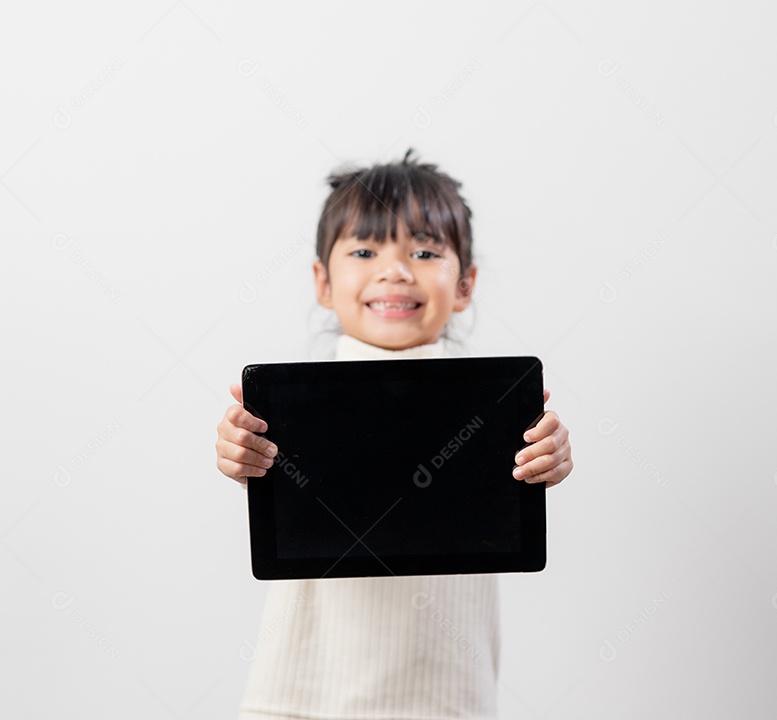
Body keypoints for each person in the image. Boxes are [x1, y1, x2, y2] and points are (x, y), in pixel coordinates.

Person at [214, 149, 573, 719]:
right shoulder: (287, 408)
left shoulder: (498, 408)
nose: (396, 270)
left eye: (426, 251)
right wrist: (243, 454)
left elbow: (523, 480)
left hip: (445, 696)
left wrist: (547, 457)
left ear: (464, 285)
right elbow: (275, 481)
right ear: (323, 282)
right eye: (364, 250)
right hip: (304, 696)